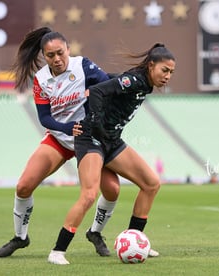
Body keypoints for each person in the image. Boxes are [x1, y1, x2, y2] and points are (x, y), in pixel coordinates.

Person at [0, 27, 120, 258]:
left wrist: (99, 92)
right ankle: (20, 237)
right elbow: (44, 118)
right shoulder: (41, 79)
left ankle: (95, 233)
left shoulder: (83, 66)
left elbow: (108, 85)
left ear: (68, 50)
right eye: (50, 55)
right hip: (61, 138)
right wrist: (67, 129)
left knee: (112, 189)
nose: (57, 59)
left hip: (90, 140)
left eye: (60, 53)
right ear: (44, 56)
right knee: (23, 186)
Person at [48, 43, 176, 265]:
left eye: (171, 72)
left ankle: (134, 239)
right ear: (152, 65)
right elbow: (97, 92)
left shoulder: (144, 83)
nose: (168, 76)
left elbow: (113, 83)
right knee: (89, 195)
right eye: (165, 70)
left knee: (151, 183)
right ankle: (57, 251)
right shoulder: (136, 80)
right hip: (91, 138)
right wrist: (96, 122)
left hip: (111, 141)